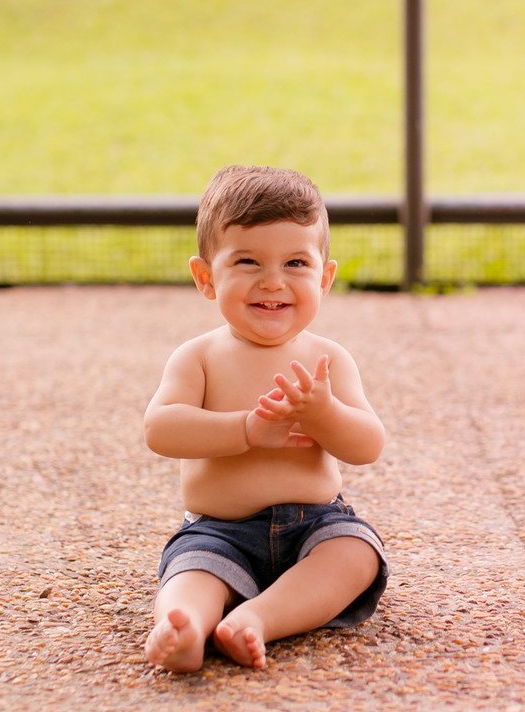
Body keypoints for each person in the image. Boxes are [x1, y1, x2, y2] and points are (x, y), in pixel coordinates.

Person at [142, 165, 388, 672]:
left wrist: (324, 415)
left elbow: (367, 445)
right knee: (193, 572)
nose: (272, 281)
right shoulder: (200, 356)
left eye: (296, 262)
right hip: (220, 529)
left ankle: (257, 619)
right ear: (206, 278)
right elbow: (160, 428)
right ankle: (180, 626)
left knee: (356, 554)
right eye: (248, 261)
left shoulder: (329, 359)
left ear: (324, 277)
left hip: (314, 525)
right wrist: (247, 430)